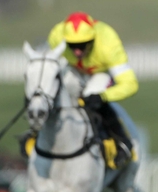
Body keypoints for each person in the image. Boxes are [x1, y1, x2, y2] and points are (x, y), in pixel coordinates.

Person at [49, 11, 138, 168]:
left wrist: (103, 96)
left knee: (91, 94)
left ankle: (122, 143)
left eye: (82, 45)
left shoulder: (108, 43)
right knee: (57, 88)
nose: (77, 51)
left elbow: (130, 84)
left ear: (93, 39)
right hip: (74, 71)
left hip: (99, 73)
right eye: (72, 45)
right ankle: (37, 133)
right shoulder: (56, 36)